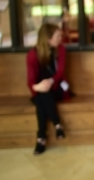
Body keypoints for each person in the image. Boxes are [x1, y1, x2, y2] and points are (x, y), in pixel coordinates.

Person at [26, 23, 67, 155]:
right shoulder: (32, 55)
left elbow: (60, 72)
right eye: (57, 36)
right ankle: (57, 125)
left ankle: (41, 138)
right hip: (41, 90)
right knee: (42, 96)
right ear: (48, 38)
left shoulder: (61, 50)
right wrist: (38, 86)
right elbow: (31, 81)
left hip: (57, 87)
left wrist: (49, 81)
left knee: (42, 98)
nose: (60, 38)